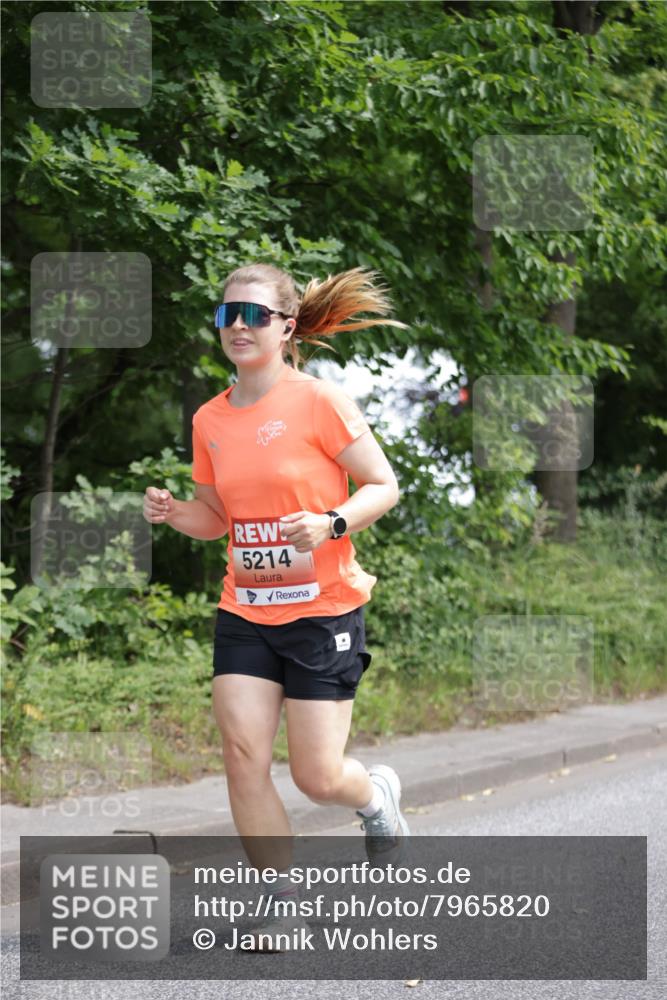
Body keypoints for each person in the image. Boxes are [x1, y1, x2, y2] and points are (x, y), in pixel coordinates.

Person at [143, 262, 410, 949]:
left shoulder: (319, 401)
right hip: (246, 609)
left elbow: (382, 485)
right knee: (241, 754)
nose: (238, 325)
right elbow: (215, 519)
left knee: (318, 777)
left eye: (255, 315)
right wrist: (174, 513)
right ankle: (283, 905)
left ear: (286, 327)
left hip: (323, 610)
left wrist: (331, 522)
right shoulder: (209, 418)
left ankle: (373, 795)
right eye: (227, 314)